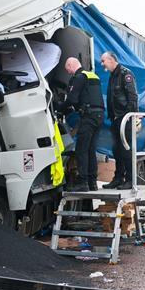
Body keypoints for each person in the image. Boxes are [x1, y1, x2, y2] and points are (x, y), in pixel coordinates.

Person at [61, 57, 105, 192]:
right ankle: (92, 183)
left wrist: (60, 108)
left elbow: (72, 99)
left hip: (88, 117)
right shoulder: (93, 76)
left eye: (67, 69)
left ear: (70, 64)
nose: (68, 72)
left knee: (81, 150)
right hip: (99, 116)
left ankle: (83, 182)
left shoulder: (79, 77)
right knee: (91, 150)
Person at [100, 52, 138, 190]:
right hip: (116, 119)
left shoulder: (125, 74)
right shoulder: (113, 76)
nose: (102, 64)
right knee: (117, 150)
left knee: (126, 150)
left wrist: (128, 117)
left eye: (103, 60)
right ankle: (118, 178)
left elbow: (132, 97)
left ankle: (130, 180)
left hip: (125, 119)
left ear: (111, 60)